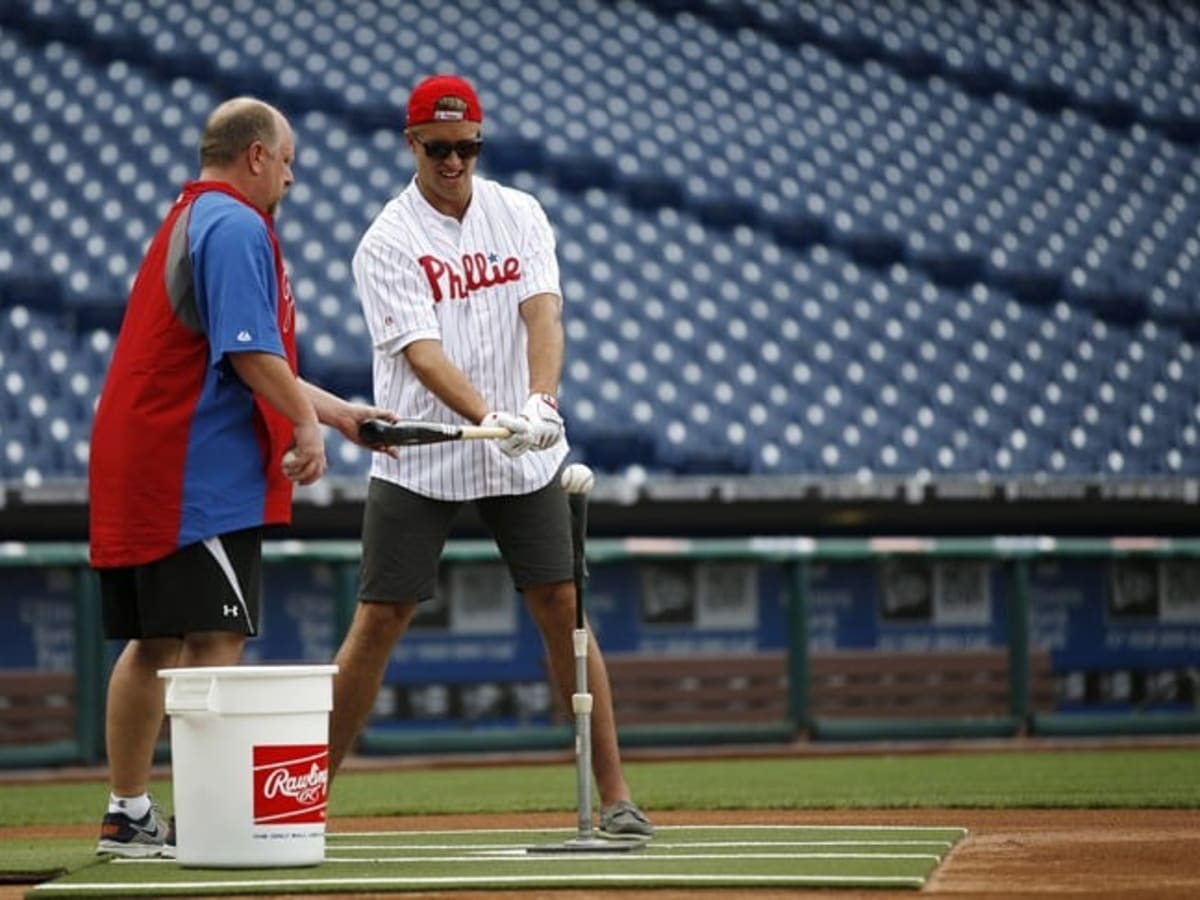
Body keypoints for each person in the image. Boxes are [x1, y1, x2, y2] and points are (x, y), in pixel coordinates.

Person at [328, 74, 653, 839]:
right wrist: (493, 415)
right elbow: (421, 355)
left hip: (521, 454)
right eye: (438, 147)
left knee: (565, 612)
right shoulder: (387, 240)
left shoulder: (520, 213)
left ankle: (617, 798)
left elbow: (543, 312)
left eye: (466, 146)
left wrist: (540, 402)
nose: (453, 160)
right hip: (427, 452)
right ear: (411, 144)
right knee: (380, 619)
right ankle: (301, 801)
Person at [88, 96, 396, 857]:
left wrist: (336, 415)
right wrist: (301, 426)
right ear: (256, 155)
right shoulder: (234, 223)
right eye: (287, 162)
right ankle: (208, 814)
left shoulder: (193, 216)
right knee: (214, 637)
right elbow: (251, 356)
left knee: (153, 641)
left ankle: (128, 814)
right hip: (196, 475)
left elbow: (252, 359)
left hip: (147, 460)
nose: (290, 179)